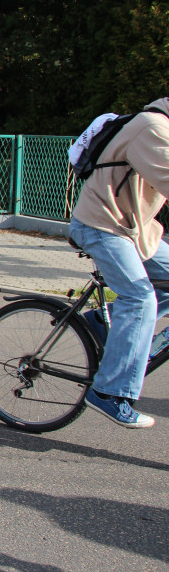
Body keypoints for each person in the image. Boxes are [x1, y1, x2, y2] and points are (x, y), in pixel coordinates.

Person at [69, 97, 169, 428]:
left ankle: (102, 322)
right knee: (140, 299)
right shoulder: (154, 129)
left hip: (133, 230)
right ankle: (110, 392)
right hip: (102, 225)